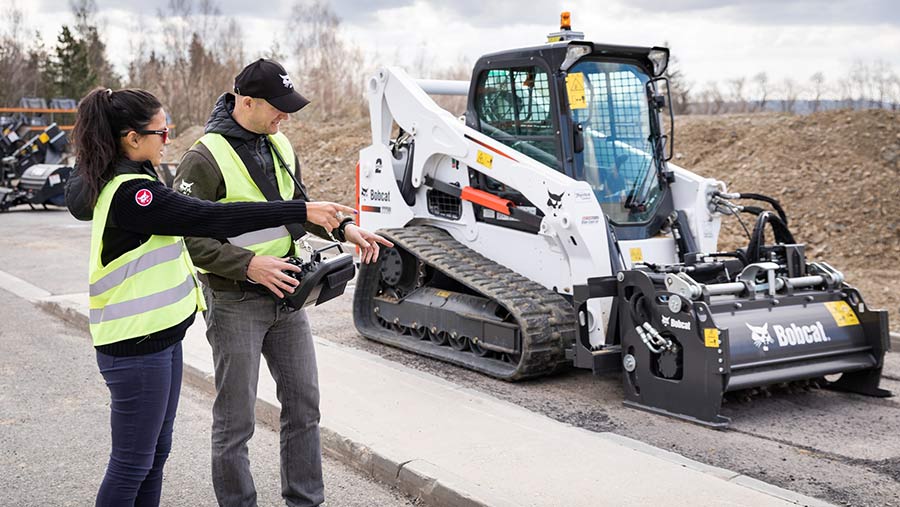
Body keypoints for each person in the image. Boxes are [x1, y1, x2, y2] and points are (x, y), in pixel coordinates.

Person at [66, 87, 356, 507]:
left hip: (160, 338)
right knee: (132, 463)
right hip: (133, 343)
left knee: (152, 458)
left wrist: (326, 222)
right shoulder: (133, 193)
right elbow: (211, 216)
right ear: (131, 138)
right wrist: (297, 211)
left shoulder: (141, 177)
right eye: (162, 133)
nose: (168, 140)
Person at [174, 58, 391, 507]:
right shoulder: (203, 156)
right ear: (246, 102)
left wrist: (345, 229)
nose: (285, 117)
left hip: (288, 299)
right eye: (278, 107)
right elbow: (189, 237)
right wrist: (249, 265)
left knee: (304, 408)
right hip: (235, 302)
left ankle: (305, 502)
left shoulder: (280, 144)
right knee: (236, 422)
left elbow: (299, 210)